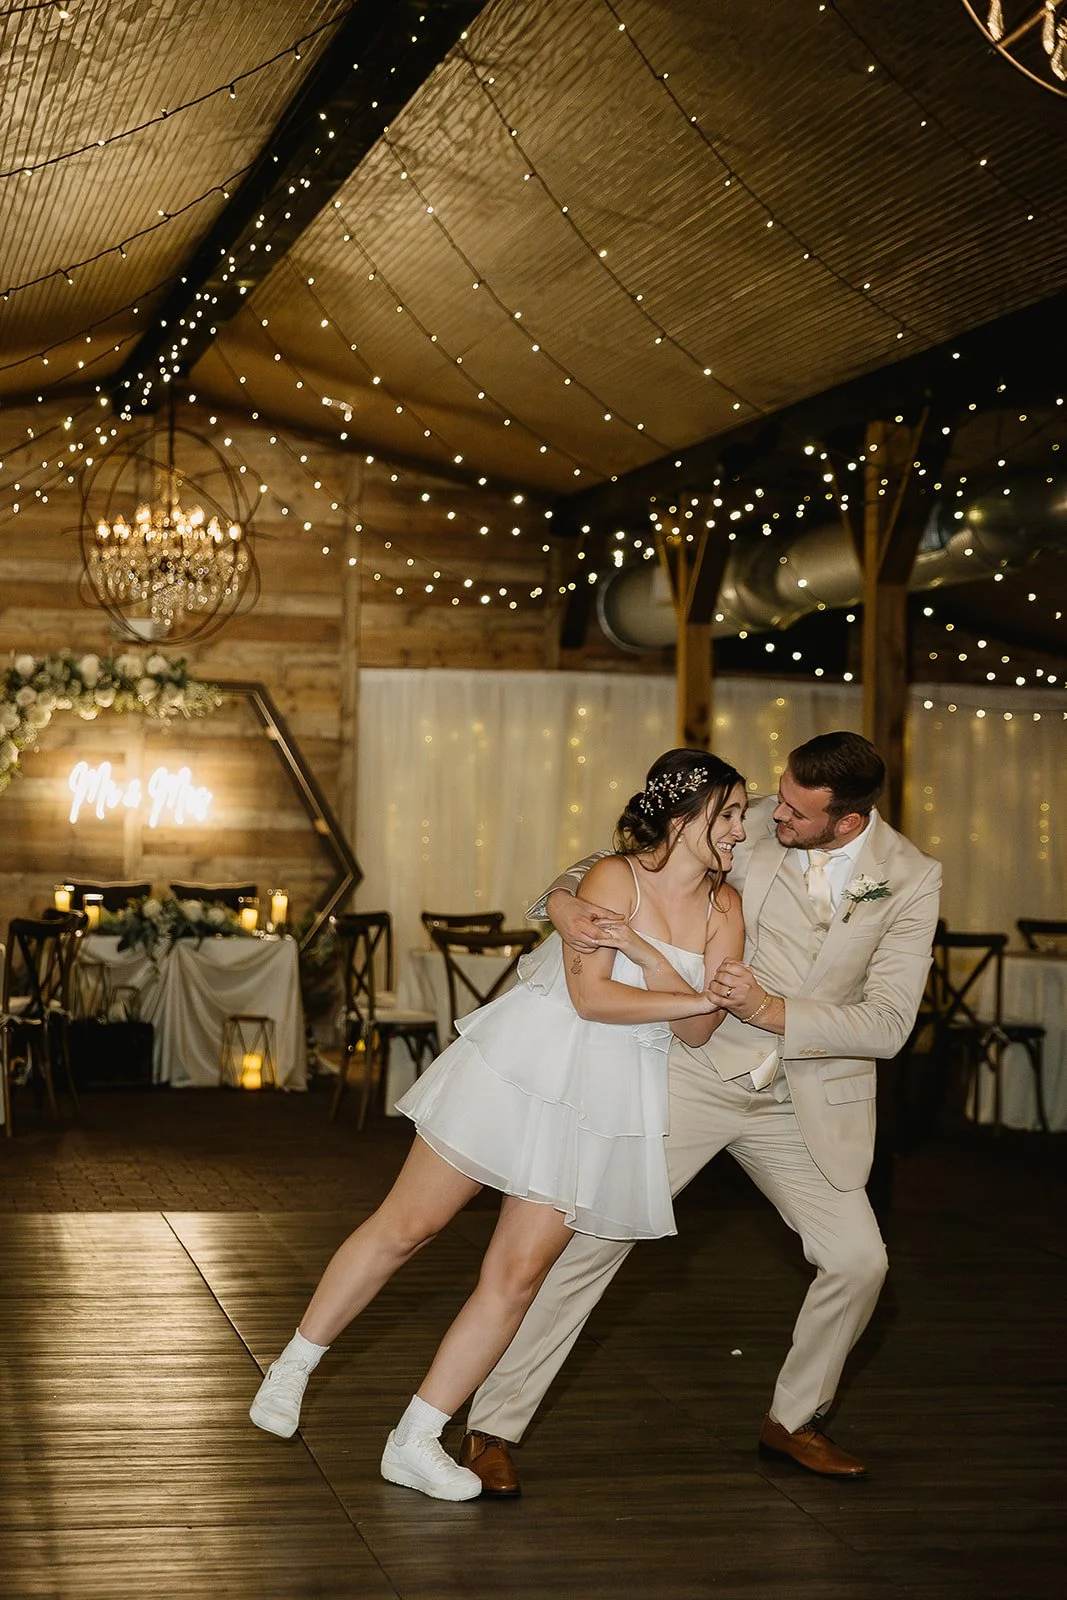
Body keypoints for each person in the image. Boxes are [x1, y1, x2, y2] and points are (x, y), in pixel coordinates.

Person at [250, 749, 747, 1500]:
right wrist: (699, 994)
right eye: (729, 814)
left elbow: (700, 1033)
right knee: (409, 1226)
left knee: (517, 1278)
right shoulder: (613, 878)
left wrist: (647, 955)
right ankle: (293, 1365)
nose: (740, 829)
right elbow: (592, 1000)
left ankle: (416, 1439)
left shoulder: (725, 908)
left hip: (611, 1093)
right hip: (529, 1061)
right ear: (683, 820)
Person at [459, 731, 941, 1494]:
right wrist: (560, 901)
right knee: (592, 1240)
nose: (771, 816)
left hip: (806, 1098)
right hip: (694, 1068)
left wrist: (772, 1009)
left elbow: (887, 1024)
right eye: (776, 798)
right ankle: (492, 1426)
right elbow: (619, 862)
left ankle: (794, 1420)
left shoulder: (911, 879)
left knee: (860, 1262)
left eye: (795, 811)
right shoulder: (745, 823)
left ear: (846, 821)